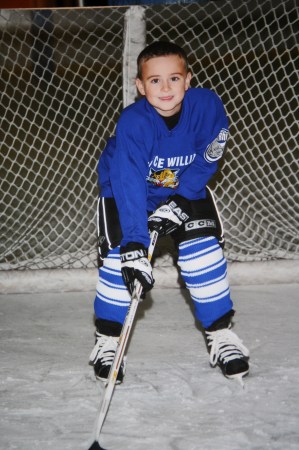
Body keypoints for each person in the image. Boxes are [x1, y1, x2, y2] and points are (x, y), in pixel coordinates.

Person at [89, 41, 249, 384]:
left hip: (184, 189)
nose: (165, 88)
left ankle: (220, 334)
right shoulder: (133, 122)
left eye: (174, 79)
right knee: (121, 262)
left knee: (203, 255)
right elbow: (128, 180)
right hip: (127, 193)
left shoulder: (207, 106)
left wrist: (183, 199)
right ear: (140, 85)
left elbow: (210, 156)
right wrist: (135, 242)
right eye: (155, 81)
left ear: (188, 80)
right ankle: (109, 341)